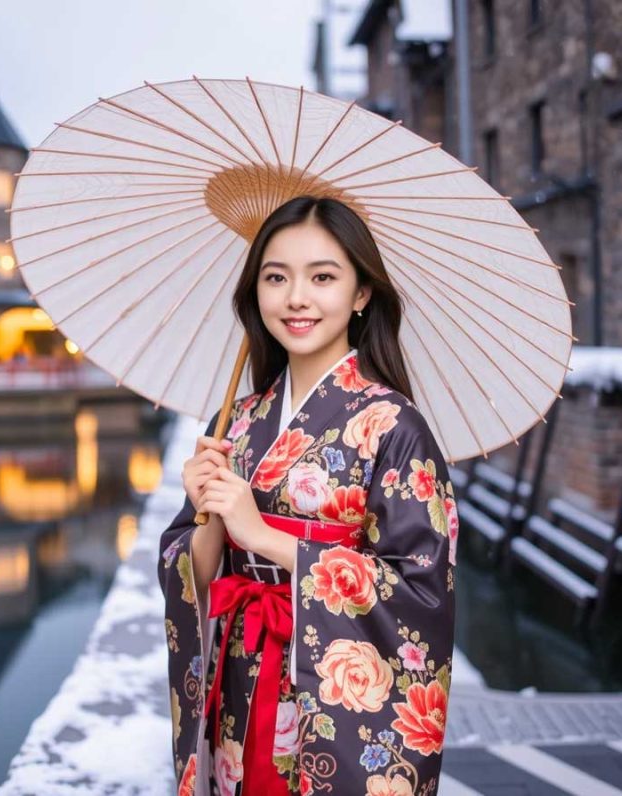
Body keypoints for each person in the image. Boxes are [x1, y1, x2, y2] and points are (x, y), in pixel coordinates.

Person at [158, 196, 458, 796]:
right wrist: (210, 515)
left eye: (322, 277)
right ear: (256, 293)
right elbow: (192, 566)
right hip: (240, 683)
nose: (296, 298)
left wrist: (264, 535)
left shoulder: (394, 427)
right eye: (276, 277)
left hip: (332, 703)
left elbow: (421, 591)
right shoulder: (238, 423)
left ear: (361, 293)